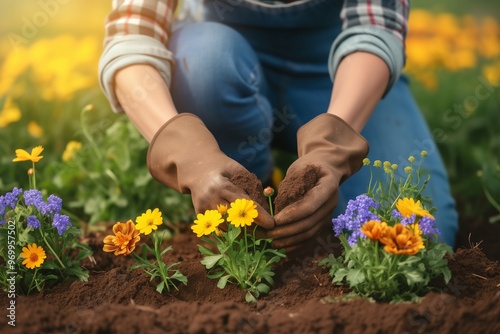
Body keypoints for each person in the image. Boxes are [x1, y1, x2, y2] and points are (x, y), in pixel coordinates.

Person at [98, 0, 458, 251]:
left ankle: (296, 194)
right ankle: (251, 202)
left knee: (418, 236)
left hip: (338, 72)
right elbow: (131, 37)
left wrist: (333, 148)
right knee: (204, 62)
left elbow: (376, 26)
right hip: (223, 63)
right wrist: (186, 152)